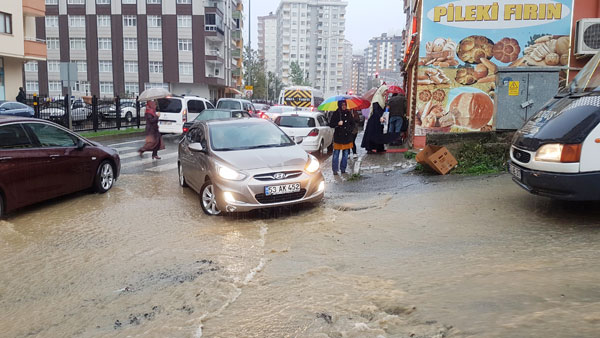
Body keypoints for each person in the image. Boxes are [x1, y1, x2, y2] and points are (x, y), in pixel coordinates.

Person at [328, 100, 355, 175]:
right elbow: (331, 124)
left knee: (345, 154)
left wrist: (349, 130)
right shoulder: (336, 113)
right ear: (339, 105)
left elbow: (353, 124)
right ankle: (335, 170)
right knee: (336, 153)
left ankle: (343, 169)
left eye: (345, 105)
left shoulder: (349, 113)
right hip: (338, 137)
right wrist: (337, 124)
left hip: (347, 137)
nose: (344, 106)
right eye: (342, 105)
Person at [361, 86, 389, 154]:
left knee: (379, 133)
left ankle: (379, 148)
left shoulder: (382, 98)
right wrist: (380, 117)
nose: (386, 93)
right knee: (373, 133)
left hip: (380, 119)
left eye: (386, 91)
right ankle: (370, 148)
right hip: (375, 119)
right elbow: (375, 109)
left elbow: (383, 109)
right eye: (385, 91)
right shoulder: (377, 98)